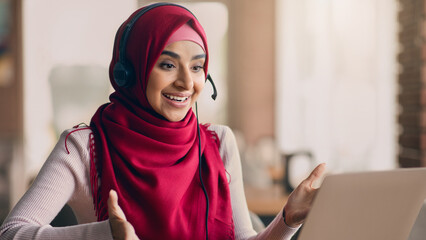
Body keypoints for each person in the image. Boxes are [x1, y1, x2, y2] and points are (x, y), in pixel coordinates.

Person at [0, 3, 325, 240]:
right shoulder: (84, 146)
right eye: (167, 65)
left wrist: (287, 219)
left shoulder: (218, 143)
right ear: (129, 72)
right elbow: (13, 232)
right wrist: (103, 235)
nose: (186, 82)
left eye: (197, 67)